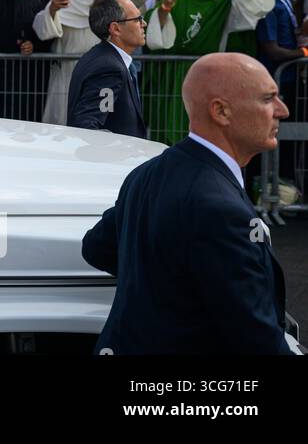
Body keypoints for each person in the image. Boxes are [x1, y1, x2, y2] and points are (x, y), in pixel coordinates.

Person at [82, 53, 296, 354]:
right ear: (221, 111)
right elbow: (257, 338)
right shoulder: (220, 206)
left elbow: (96, 248)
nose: (282, 110)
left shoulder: (146, 174)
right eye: (268, 99)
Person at [143, 0, 273, 143]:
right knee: (167, 130)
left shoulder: (226, 2)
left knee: (202, 132)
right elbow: (157, 36)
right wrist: (164, 10)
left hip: (207, 75)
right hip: (171, 75)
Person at [33, 0, 148, 125]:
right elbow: (42, 29)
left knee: (101, 122)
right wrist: (52, 9)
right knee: (62, 124)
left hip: (103, 69)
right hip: (66, 71)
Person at [66, 0, 147, 138]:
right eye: (137, 20)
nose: (144, 24)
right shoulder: (109, 68)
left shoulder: (101, 58)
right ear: (115, 29)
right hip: (114, 158)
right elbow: (87, 125)